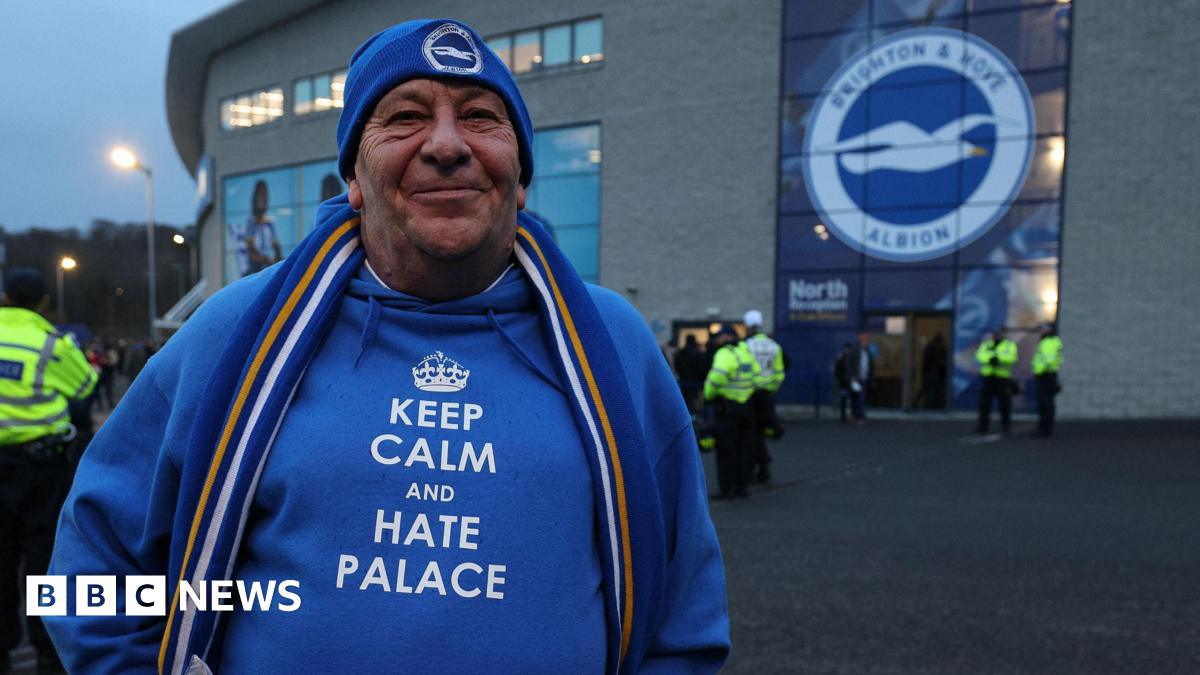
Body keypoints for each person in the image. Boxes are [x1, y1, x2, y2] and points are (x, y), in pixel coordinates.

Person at [47, 19, 728, 675]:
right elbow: (84, 580)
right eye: (403, 117)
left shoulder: (613, 344)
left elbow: (685, 615)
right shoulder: (234, 332)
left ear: (520, 178)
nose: (446, 144)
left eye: (482, 117)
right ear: (353, 178)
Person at [0, 269, 97, 674]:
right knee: (46, 560)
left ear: (4, 296)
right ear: (43, 301)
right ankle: (48, 653)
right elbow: (85, 385)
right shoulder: (53, 344)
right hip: (42, 468)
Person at [703, 324, 761, 500]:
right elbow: (757, 376)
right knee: (743, 448)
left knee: (726, 450)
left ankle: (726, 490)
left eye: (720, 336)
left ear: (727, 337)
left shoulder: (725, 354)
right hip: (746, 407)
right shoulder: (746, 352)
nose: (718, 340)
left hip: (727, 408)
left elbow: (717, 377)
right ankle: (741, 487)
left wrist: (708, 394)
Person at [742, 310, 785, 483]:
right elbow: (779, 372)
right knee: (762, 431)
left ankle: (752, 468)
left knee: (750, 433)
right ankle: (764, 467)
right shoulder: (774, 346)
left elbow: (744, 370)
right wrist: (771, 388)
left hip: (751, 395)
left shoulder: (747, 346)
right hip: (767, 395)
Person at [229, 180, 283, 277]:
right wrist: (269, 261)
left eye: (265, 200)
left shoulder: (268, 224)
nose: (263, 203)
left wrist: (279, 262)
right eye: (260, 199)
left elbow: (277, 248)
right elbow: (251, 253)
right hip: (250, 273)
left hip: (265, 269)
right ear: (254, 199)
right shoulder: (248, 223)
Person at [975, 328, 1019, 434]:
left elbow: (1013, 358)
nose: (996, 336)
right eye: (995, 334)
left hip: (1002, 378)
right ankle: (983, 426)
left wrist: (998, 359)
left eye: (999, 334)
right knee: (984, 404)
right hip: (988, 378)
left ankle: (1005, 426)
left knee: (1004, 404)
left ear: (1003, 335)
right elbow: (979, 355)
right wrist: (990, 359)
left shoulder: (1009, 345)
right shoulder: (986, 344)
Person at [1032, 325, 1063, 437]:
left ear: (1049, 330)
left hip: (1045, 376)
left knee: (1045, 403)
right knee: (1047, 402)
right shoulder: (1049, 341)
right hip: (1048, 375)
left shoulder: (1049, 342)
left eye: (1043, 328)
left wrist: (1038, 371)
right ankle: (1045, 428)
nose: (1041, 330)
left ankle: (1044, 429)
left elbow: (1048, 360)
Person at [673, 334, 705, 413]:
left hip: (684, 380)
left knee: (685, 400)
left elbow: (677, 367)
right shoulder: (697, 353)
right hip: (695, 382)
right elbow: (701, 367)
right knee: (694, 400)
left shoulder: (680, 353)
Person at [915, 333, 947, 410]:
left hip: (932, 373)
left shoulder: (932, 348)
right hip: (930, 372)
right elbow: (930, 361)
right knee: (928, 390)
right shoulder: (931, 348)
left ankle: (920, 405)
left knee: (927, 389)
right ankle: (925, 406)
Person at [847, 333, 874, 424]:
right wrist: (851, 377)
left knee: (860, 397)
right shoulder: (854, 350)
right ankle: (859, 416)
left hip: (864, 378)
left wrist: (871, 377)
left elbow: (871, 365)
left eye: (868, 340)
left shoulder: (868, 351)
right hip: (856, 379)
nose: (867, 342)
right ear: (861, 340)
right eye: (866, 340)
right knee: (857, 397)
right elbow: (849, 364)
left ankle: (858, 415)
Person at [834, 342, 852, 422]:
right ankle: (843, 415)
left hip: (848, 381)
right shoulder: (841, 358)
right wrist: (839, 380)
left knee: (846, 399)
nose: (847, 350)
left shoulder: (845, 357)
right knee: (843, 399)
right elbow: (837, 370)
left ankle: (846, 415)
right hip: (844, 382)